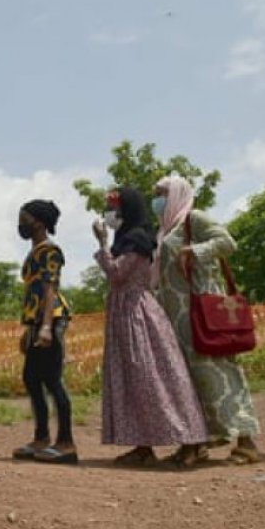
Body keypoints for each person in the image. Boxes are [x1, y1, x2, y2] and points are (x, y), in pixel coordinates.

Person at [92, 187, 208, 467]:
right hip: (123, 314)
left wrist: (102, 244)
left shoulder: (137, 239)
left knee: (155, 378)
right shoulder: (127, 238)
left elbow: (118, 274)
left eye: (114, 209)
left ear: (127, 211)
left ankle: (192, 441)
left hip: (137, 315)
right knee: (132, 380)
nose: (109, 214)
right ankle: (143, 445)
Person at [152, 175, 261, 465]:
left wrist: (196, 250)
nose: (157, 199)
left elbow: (227, 242)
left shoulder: (193, 219)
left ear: (177, 194)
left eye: (161, 193)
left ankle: (246, 441)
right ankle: (196, 443)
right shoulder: (165, 230)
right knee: (188, 382)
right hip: (177, 320)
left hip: (205, 311)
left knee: (221, 375)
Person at [12, 200, 77, 464]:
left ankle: (66, 442)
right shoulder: (35, 251)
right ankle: (41, 438)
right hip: (37, 321)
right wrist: (29, 328)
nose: (21, 222)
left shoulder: (50, 250)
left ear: (38, 222)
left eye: (24, 217)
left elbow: (50, 288)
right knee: (31, 378)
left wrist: (47, 327)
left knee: (52, 380)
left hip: (51, 319)